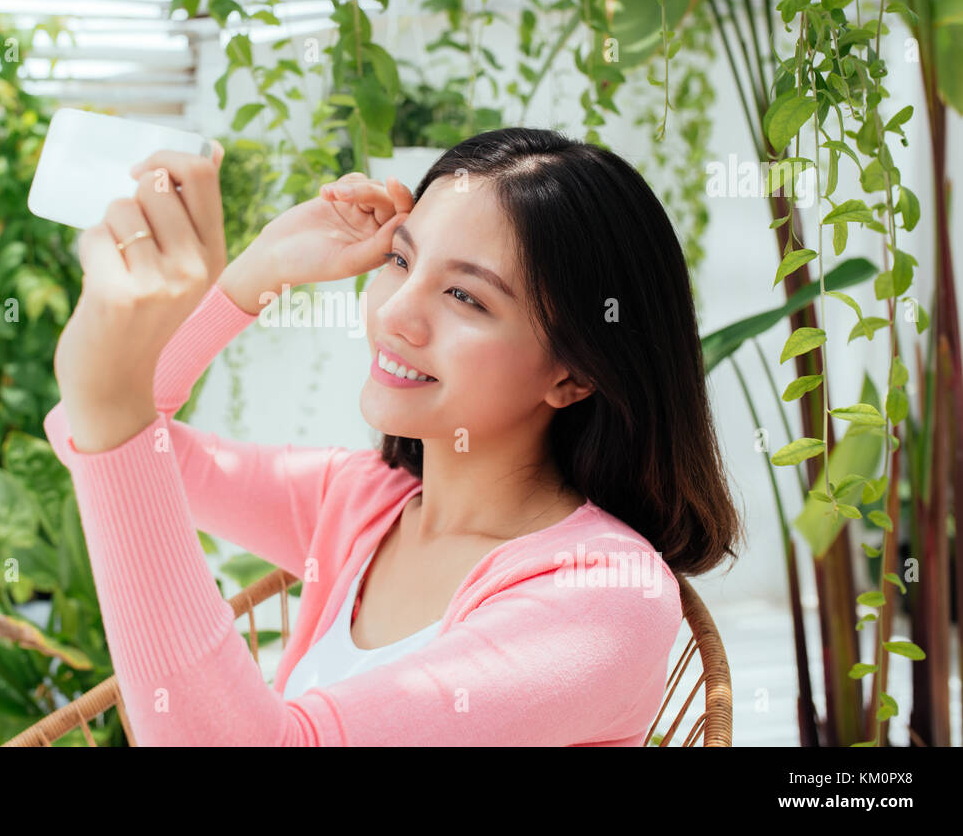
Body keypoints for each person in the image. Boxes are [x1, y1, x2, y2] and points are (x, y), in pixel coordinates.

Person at [46, 126, 744, 745]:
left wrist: (112, 399)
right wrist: (259, 273)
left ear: (572, 376)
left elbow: (116, 431)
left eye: (466, 296)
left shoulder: (606, 597)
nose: (396, 315)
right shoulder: (356, 502)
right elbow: (85, 430)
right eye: (400, 261)